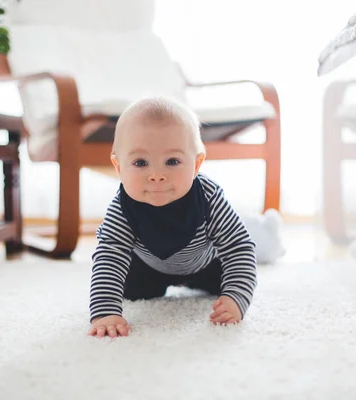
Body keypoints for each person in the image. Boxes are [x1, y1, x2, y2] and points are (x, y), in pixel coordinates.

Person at [88, 96, 257, 338]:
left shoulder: (208, 197)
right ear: (119, 167)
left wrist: (237, 298)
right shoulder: (122, 208)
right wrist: (105, 313)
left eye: (172, 161)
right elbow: (109, 255)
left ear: (197, 164)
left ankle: (258, 228)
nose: (157, 175)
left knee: (231, 279)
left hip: (206, 264)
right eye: (140, 162)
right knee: (125, 286)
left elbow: (238, 248)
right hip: (149, 267)